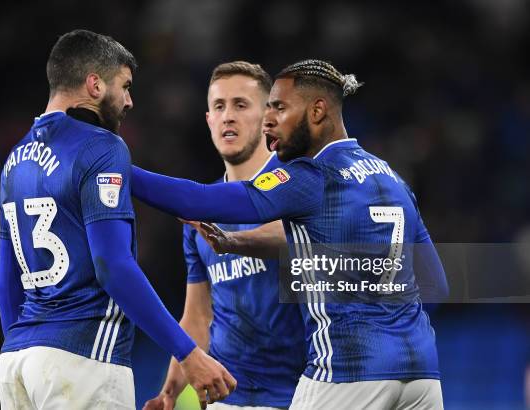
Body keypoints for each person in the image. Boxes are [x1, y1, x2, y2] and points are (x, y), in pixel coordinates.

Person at [130, 59, 449, 409]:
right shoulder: (392, 177)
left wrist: (117, 168)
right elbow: (436, 283)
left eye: (279, 108)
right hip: (421, 374)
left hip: (347, 367)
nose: (270, 120)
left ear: (317, 111)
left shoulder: (310, 177)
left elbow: (198, 199)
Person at [0, 29, 235, 410]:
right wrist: (188, 354)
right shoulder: (102, 147)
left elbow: (6, 283)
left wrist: (28, 347)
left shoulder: (14, 162)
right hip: (83, 359)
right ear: (94, 84)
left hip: (17, 363)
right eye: (124, 86)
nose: (129, 100)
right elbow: (113, 268)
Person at [143, 62, 305, 410]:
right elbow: (198, 316)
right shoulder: (200, 214)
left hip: (300, 396)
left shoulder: (299, 184)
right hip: (228, 398)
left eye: (240, 105)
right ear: (209, 121)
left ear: (267, 117)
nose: (228, 116)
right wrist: (170, 390)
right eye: (219, 106)